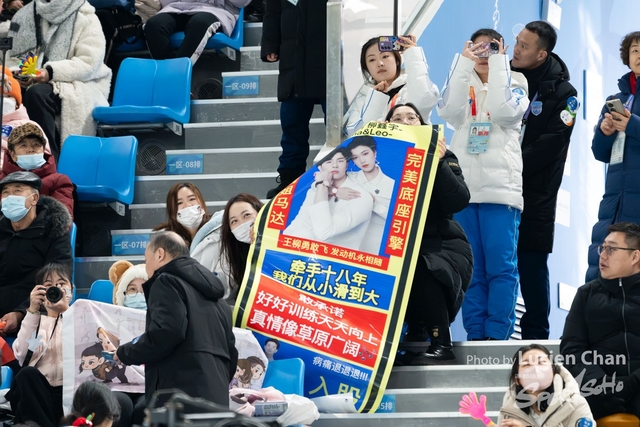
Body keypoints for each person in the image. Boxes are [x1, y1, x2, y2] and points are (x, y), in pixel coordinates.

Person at [437, 28, 528, 341]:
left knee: (501, 267)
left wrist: (502, 65)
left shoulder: (516, 82)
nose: (484, 54)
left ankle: (498, 335)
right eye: (477, 49)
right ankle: (476, 334)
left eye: (491, 48)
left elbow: (505, 113)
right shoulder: (463, 81)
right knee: (471, 269)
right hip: (463, 192)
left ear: (502, 50)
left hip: (500, 190)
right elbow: (448, 111)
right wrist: (463, 64)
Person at [384, 103, 472, 364]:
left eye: (412, 117)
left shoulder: (444, 155)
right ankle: (399, 340)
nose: (405, 122)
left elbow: (458, 201)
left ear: (422, 124)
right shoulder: (375, 156)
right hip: (394, 242)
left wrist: (438, 161)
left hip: (441, 242)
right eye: (397, 118)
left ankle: (441, 341)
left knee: (422, 266)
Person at [509, 21, 578, 340]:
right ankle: (489, 335)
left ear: (542, 54)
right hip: (498, 188)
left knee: (532, 266)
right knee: (494, 266)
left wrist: (510, 163)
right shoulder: (503, 78)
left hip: (536, 193)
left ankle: (535, 340)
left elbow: (552, 144)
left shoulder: (565, 94)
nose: (516, 49)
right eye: (517, 41)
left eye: (524, 46)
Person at [116, 231, 237, 409]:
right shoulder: (220, 301)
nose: (146, 266)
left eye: (146, 259)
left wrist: (125, 352)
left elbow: (167, 332)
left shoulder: (165, 282)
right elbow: (231, 353)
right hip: (217, 400)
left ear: (160, 254)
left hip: (179, 399)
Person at [6, 264, 132, 427]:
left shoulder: (83, 317)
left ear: (71, 289)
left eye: (61, 284)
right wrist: (32, 311)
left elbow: (91, 349)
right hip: (41, 397)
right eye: (48, 285)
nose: (55, 289)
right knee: (26, 374)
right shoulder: (34, 321)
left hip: (75, 395)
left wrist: (67, 312)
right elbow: (22, 356)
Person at [8, 0, 112, 161]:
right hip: (36, 80)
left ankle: (49, 161)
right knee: (9, 92)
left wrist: (50, 72)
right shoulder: (24, 15)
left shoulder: (86, 16)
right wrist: (20, 73)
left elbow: (89, 63)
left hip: (76, 82)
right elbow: (14, 56)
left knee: (37, 94)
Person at [561, 222, 640, 419]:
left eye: (611, 249)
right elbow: (572, 349)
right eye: (602, 248)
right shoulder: (586, 294)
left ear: (635, 256)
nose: (603, 255)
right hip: (599, 391)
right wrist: (602, 384)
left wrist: (633, 383)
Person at [586, 31, 640, 283]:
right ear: (627, 57)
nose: (639, 56)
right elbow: (600, 153)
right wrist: (604, 133)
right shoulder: (615, 100)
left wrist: (632, 125)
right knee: (600, 272)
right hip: (613, 200)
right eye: (635, 51)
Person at [262, 0, 327, 198]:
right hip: (294, 60)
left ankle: (343, 171)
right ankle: (289, 178)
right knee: (292, 124)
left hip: (330, 56)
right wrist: (270, 44)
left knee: (336, 123)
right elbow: (272, 12)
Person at [0, 171, 72, 337]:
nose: (10, 197)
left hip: (38, 314)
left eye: (17, 191)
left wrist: (20, 313)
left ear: (34, 198)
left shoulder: (54, 232)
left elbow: (57, 282)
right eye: (5, 193)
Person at [343, 34, 439, 137]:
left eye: (385, 56)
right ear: (367, 68)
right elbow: (355, 134)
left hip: (413, 146)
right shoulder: (363, 98)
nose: (380, 63)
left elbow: (424, 99)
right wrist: (376, 99)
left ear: (397, 61)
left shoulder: (411, 87)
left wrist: (412, 55)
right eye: (372, 60)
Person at [283, 148, 373, 250]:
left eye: (340, 161)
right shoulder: (314, 191)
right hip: (305, 252)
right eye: (328, 162)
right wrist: (329, 189)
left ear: (347, 165)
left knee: (304, 234)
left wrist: (322, 184)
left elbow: (324, 232)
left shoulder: (360, 196)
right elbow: (298, 223)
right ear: (320, 167)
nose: (335, 165)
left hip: (337, 255)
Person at [497, 344, 594, 427]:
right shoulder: (508, 411)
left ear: (553, 371)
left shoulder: (575, 403)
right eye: (527, 364)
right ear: (516, 379)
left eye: (541, 362)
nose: (535, 368)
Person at [191, 193, 263, 303]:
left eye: (246, 215)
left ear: (260, 213)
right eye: (234, 221)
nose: (242, 223)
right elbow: (224, 283)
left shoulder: (282, 237)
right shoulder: (233, 253)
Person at [1, 123, 74, 217]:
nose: (31, 149)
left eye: (36, 144)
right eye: (23, 145)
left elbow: (62, 218)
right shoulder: (1, 179)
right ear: (12, 154)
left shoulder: (58, 181)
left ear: (43, 150)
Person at [144, 0, 251, 63]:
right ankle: (167, 74)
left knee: (199, 23)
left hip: (215, 10)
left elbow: (242, 2)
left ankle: (177, 76)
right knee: (154, 25)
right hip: (176, 8)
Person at [343, 136, 395, 253]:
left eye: (365, 154)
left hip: (377, 246)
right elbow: (317, 183)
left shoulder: (392, 185)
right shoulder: (349, 178)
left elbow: (400, 219)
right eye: (355, 157)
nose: (362, 161)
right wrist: (335, 191)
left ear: (374, 152)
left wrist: (374, 204)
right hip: (347, 243)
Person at [0, 67, 52, 170]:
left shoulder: (28, 126)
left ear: (16, 103)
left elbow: (44, 159)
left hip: (15, 174)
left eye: (8, 97)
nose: (3, 101)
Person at [154, 182, 213, 247]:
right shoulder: (165, 239)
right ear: (172, 211)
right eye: (179, 203)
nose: (187, 205)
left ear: (202, 202)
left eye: (191, 199)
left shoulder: (217, 228)